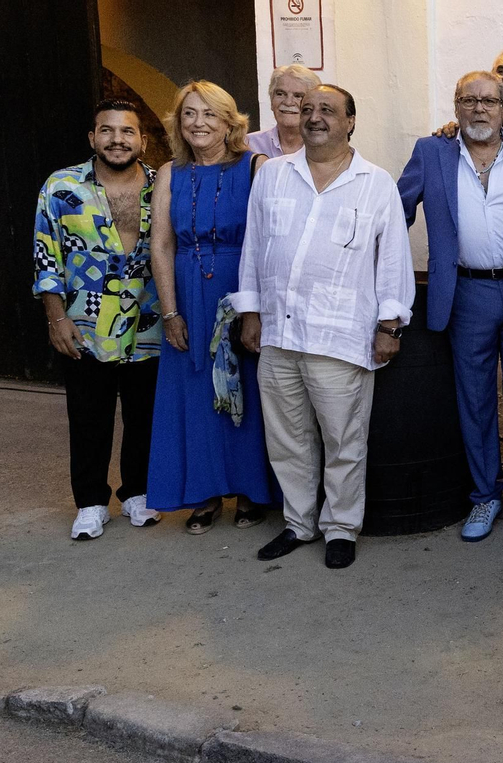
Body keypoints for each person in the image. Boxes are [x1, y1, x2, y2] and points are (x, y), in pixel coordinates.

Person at [233, 85, 415, 569]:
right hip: (278, 333)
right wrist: (250, 313)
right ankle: (298, 523)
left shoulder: (375, 183)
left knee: (344, 440)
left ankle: (341, 528)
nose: (314, 118)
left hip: (340, 335)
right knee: (287, 438)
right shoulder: (272, 174)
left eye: (327, 111)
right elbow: (254, 248)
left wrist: (390, 326)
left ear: (350, 121)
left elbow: (393, 260)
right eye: (307, 109)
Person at [398, 71, 503, 542]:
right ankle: (485, 495)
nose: (480, 109)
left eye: (490, 100)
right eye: (470, 100)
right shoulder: (431, 152)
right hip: (465, 294)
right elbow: (393, 213)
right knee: (476, 399)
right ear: (456, 106)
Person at [146, 81, 278, 534]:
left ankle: (249, 491)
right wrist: (169, 311)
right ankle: (202, 494)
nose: (198, 123)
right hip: (186, 294)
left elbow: (269, 242)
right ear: (178, 124)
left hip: (240, 290)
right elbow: (160, 245)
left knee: (248, 387)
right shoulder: (169, 173)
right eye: (189, 114)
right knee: (195, 393)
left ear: (230, 122)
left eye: (209, 114)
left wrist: (255, 307)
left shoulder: (257, 166)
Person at [33, 98, 162, 540]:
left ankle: (138, 493)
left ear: (142, 140)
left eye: (127, 131)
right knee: (89, 415)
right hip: (85, 321)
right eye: (107, 130)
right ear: (93, 138)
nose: (117, 139)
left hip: (149, 318)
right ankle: (90, 502)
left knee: (145, 413)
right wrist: (55, 319)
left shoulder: (162, 185)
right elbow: (45, 255)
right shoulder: (61, 187)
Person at [246, 65, 322, 158]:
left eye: (298, 96)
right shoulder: (248, 145)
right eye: (280, 94)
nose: (288, 102)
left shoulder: (324, 147)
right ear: (271, 101)